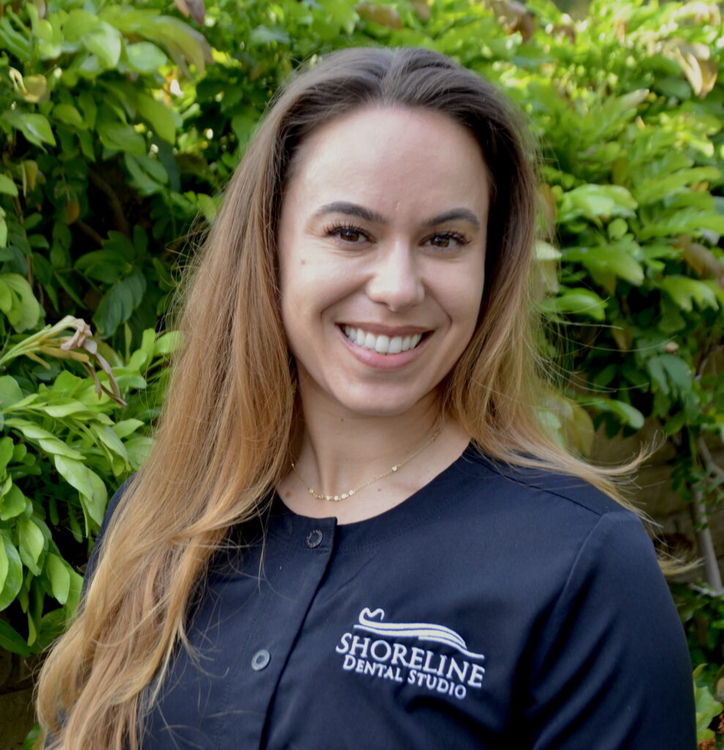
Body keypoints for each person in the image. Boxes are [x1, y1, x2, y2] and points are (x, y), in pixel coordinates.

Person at [36, 46, 696, 749]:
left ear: (489, 264)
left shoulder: (580, 565)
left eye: (445, 239)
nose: (397, 287)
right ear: (270, 248)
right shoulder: (155, 518)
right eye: (351, 233)